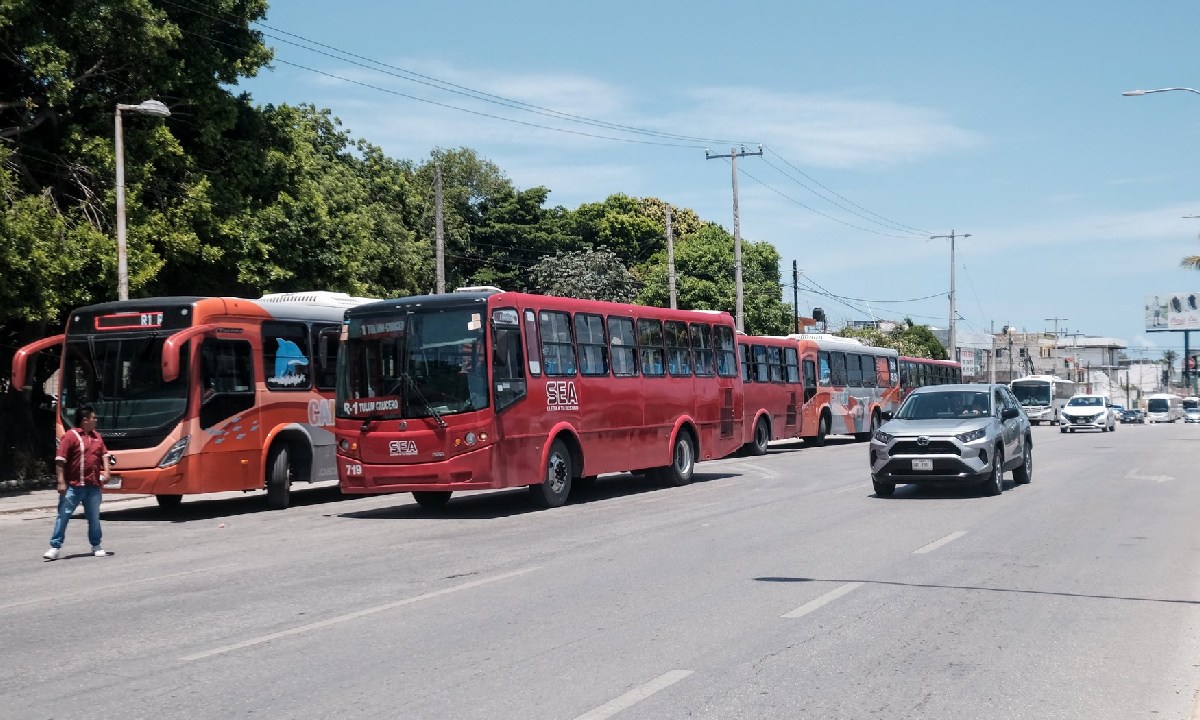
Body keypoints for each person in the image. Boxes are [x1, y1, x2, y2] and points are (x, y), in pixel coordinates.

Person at [43, 405, 111, 561]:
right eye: (94, 418)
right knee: (63, 516)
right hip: (73, 486)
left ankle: (96, 545)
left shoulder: (97, 437)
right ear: (85, 420)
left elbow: (105, 455)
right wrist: (60, 482)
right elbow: (60, 460)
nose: (96, 420)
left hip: (93, 486)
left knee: (94, 517)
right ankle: (55, 547)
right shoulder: (70, 436)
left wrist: (107, 472)